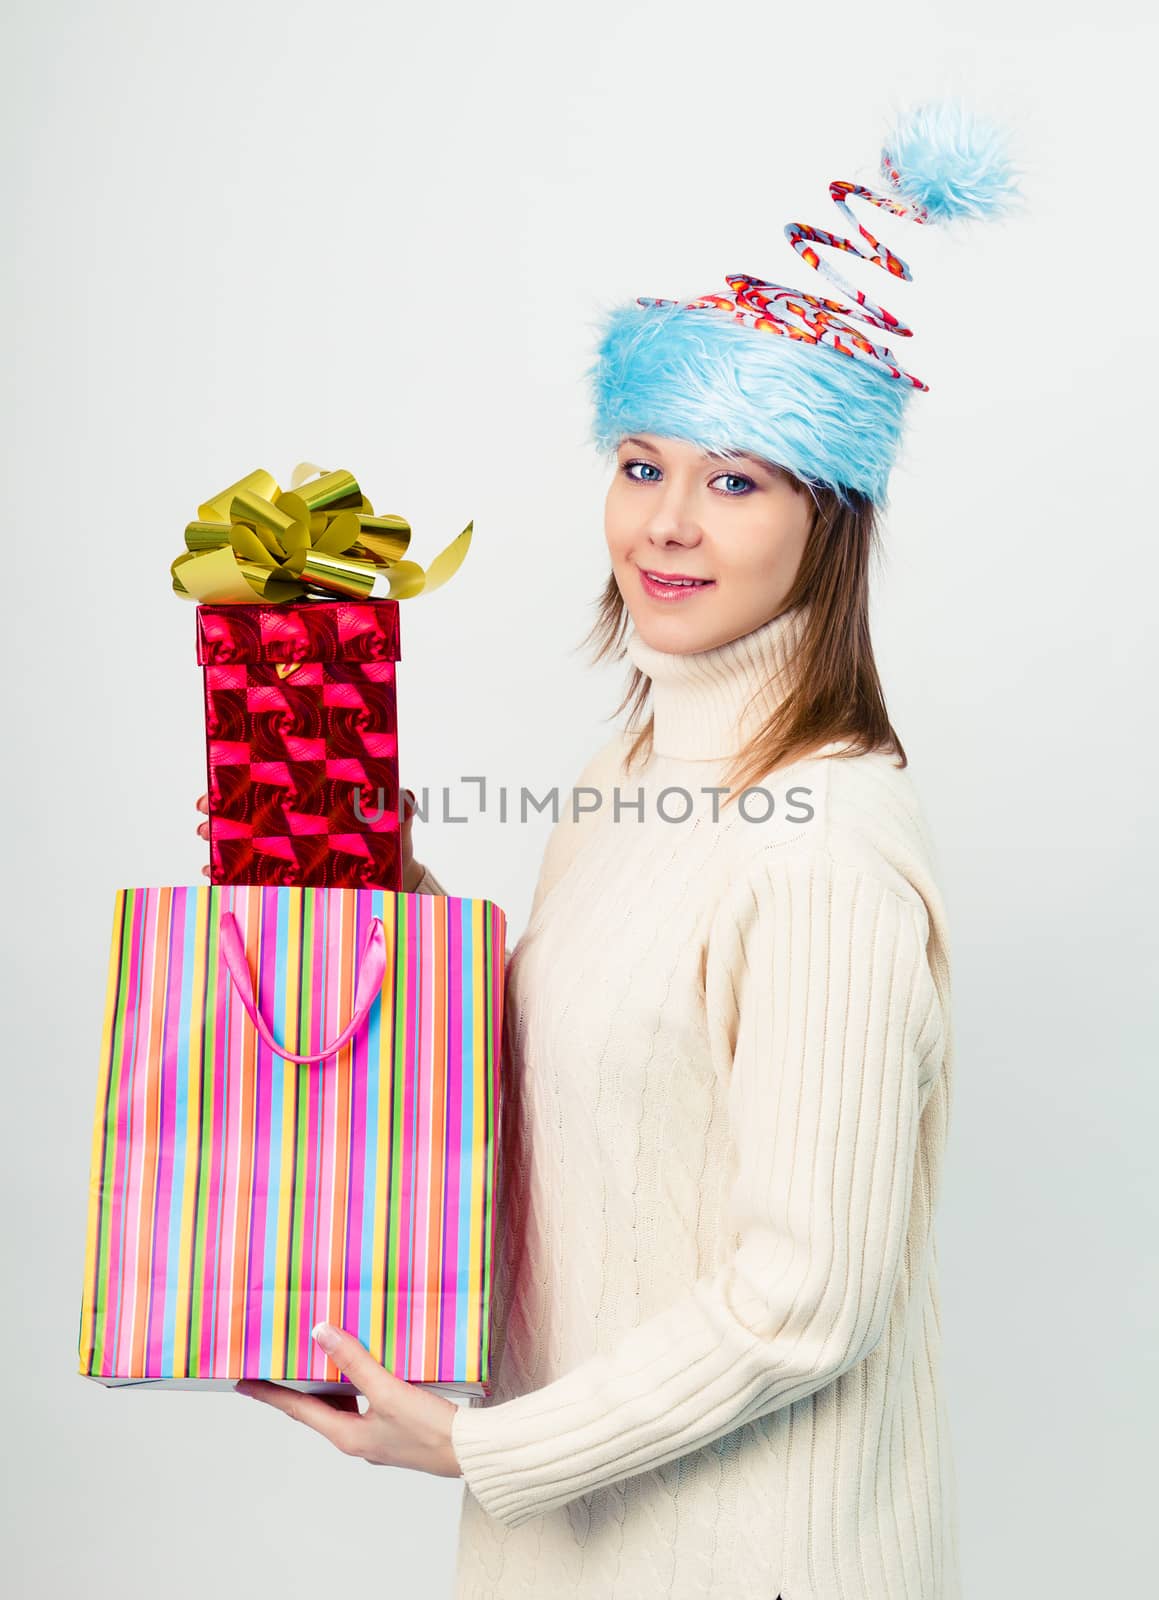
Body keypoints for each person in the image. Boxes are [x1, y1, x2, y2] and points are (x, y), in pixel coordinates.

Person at [203, 98, 1023, 1599]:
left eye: (735, 480)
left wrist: (475, 1449)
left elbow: (806, 1302)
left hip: (758, 1555)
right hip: (583, 1543)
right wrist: (369, 868)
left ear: (827, 520)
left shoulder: (824, 842)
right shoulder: (638, 766)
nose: (668, 527)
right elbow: (577, 1045)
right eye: (644, 465)